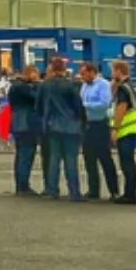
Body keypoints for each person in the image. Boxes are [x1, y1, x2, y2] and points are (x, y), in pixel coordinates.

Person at [38, 57, 86, 201]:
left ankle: (52, 190)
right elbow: (78, 105)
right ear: (64, 69)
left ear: (51, 68)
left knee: (54, 158)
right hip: (71, 125)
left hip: (52, 125)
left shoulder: (45, 85)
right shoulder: (70, 85)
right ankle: (74, 192)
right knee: (71, 159)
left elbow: (39, 105)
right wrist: (81, 121)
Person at [107, 61, 136, 205]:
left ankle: (130, 195)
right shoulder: (129, 85)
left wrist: (115, 128)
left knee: (126, 162)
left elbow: (121, 108)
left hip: (127, 128)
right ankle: (130, 193)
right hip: (133, 127)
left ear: (118, 71)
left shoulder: (123, 88)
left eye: (113, 71)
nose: (112, 74)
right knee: (129, 161)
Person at [78, 62, 118, 201]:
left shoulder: (103, 85)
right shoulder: (84, 86)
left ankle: (114, 190)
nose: (82, 77)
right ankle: (93, 190)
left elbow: (104, 104)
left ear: (92, 72)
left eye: (84, 74)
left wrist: (85, 105)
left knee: (105, 158)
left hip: (100, 124)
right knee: (89, 159)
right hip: (87, 125)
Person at [6, 63, 42, 195]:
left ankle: (20, 185)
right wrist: (37, 84)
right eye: (36, 74)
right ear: (31, 73)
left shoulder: (14, 86)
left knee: (20, 155)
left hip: (16, 123)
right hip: (26, 123)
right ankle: (23, 186)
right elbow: (36, 97)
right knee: (26, 156)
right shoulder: (23, 87)